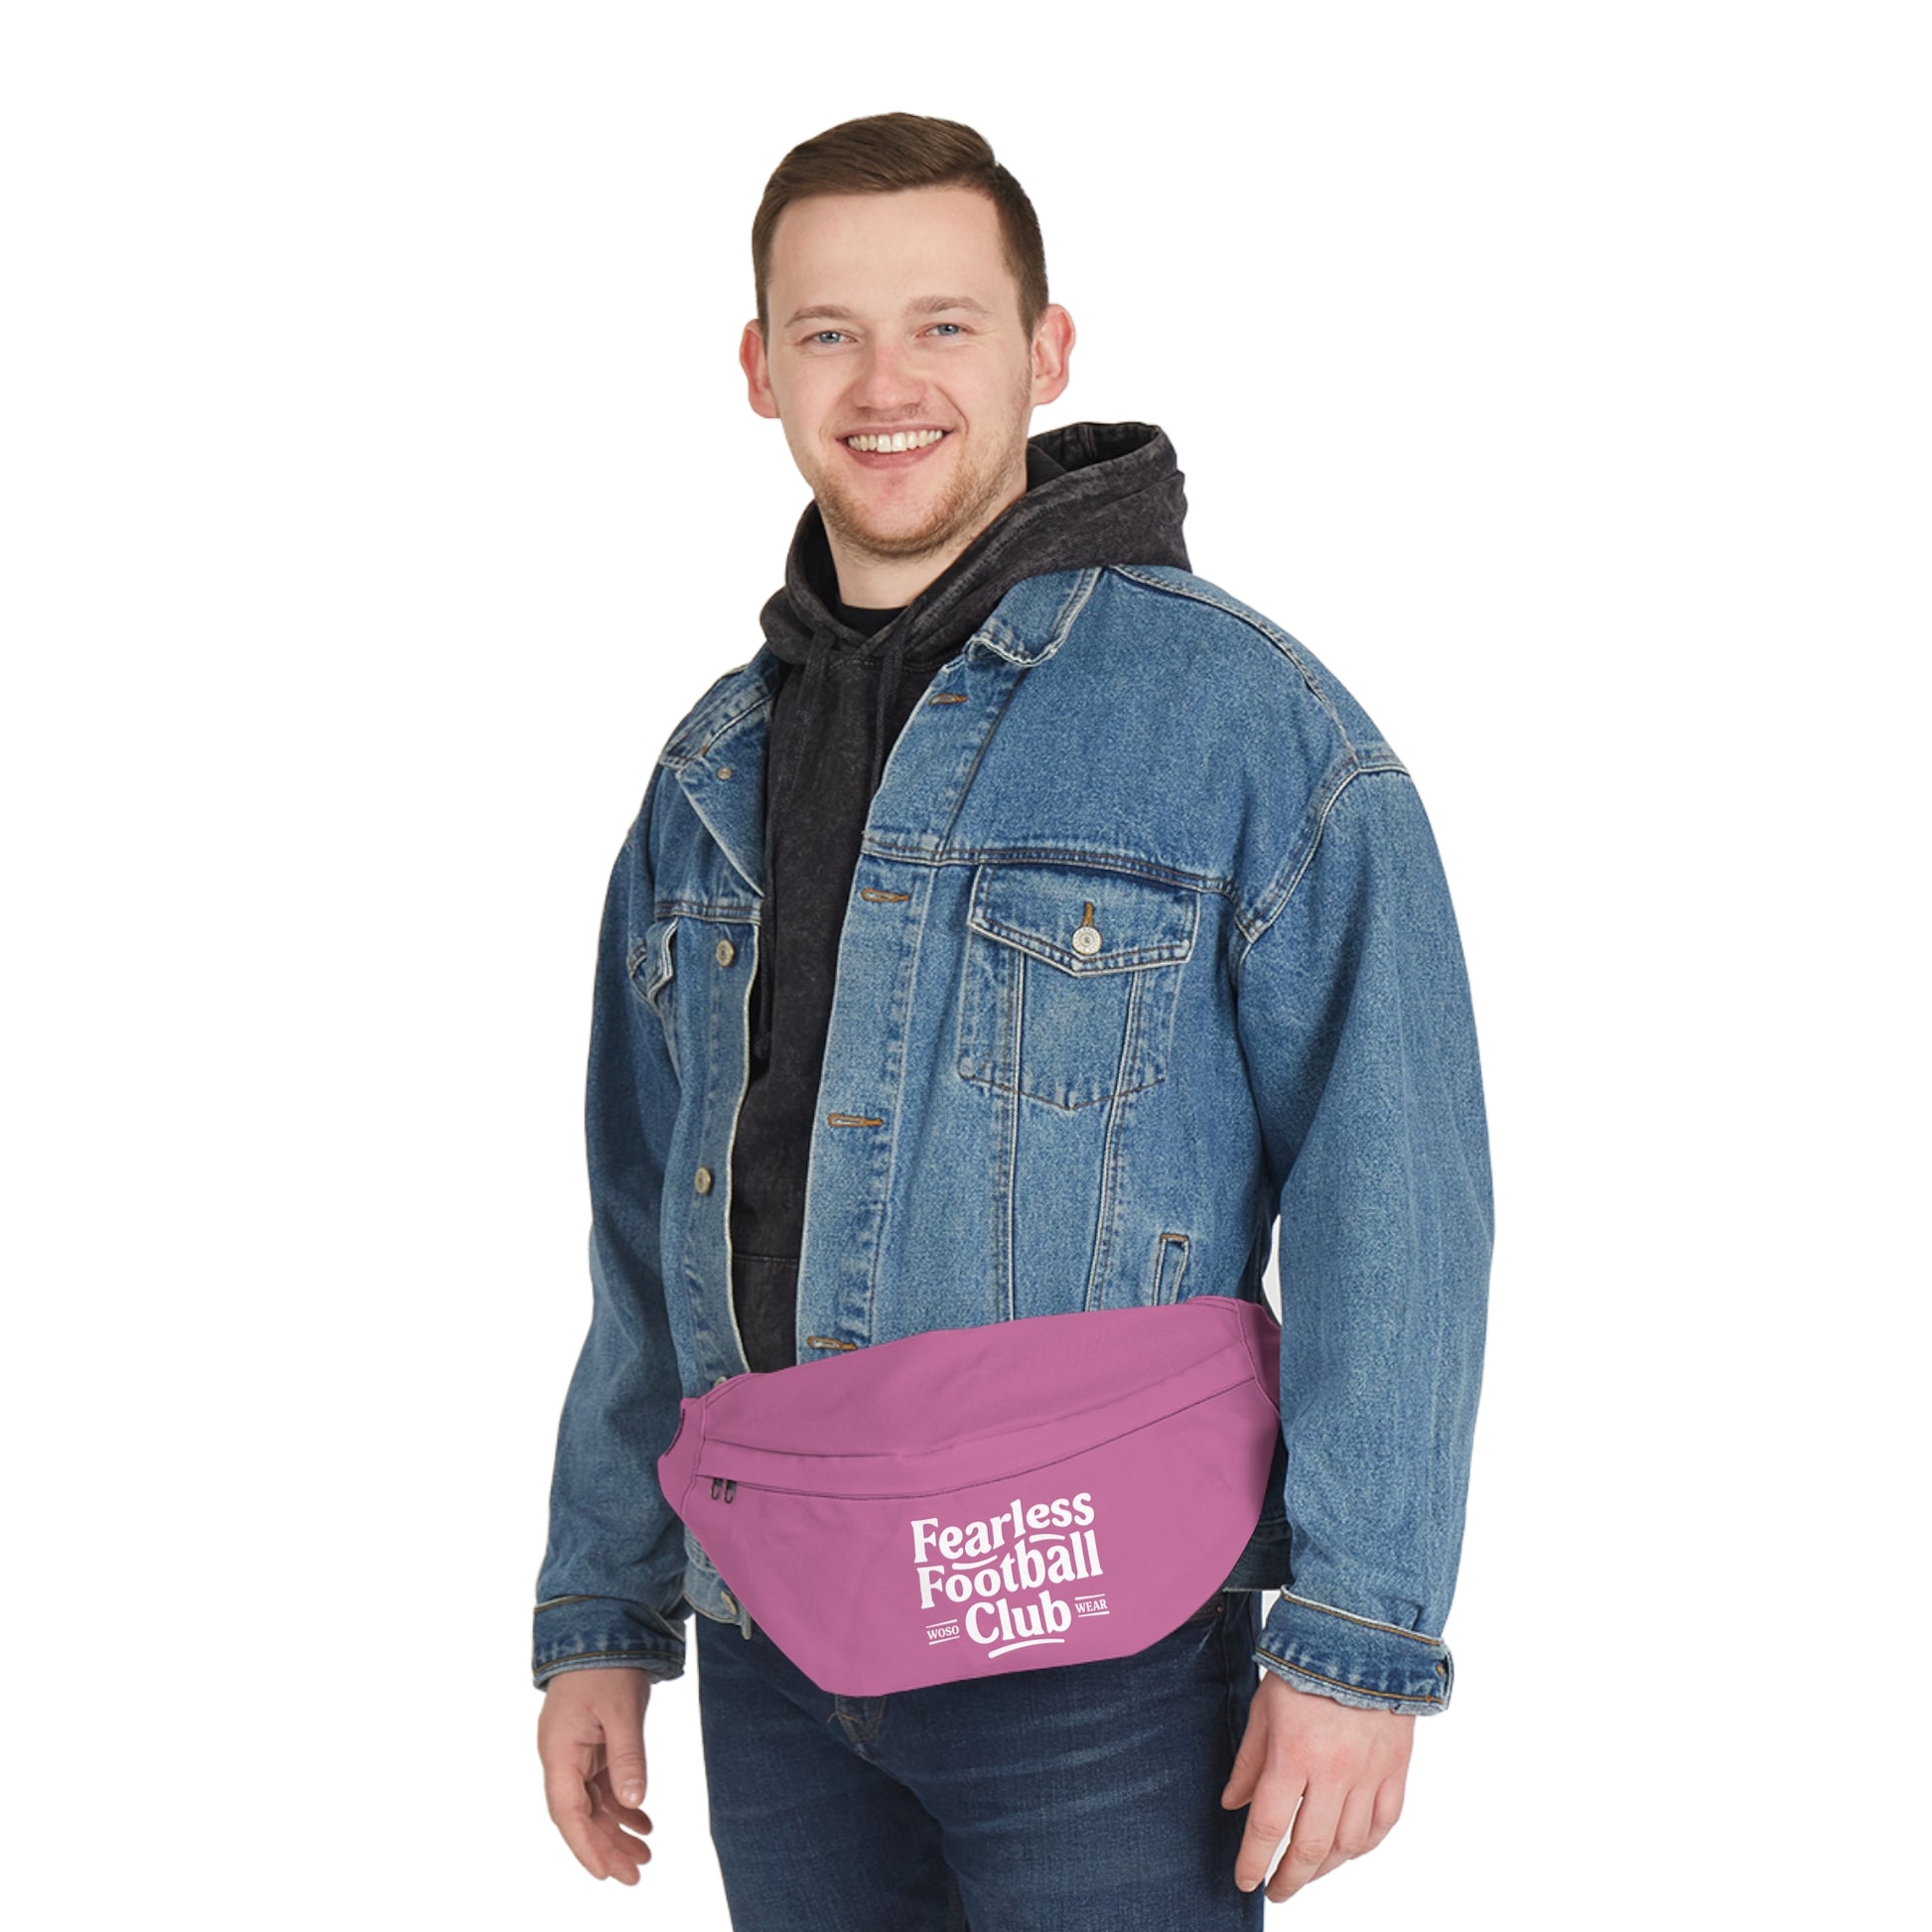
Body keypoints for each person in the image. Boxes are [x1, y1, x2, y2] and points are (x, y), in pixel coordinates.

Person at [532, 112, 1491, 1928]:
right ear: (757, 368)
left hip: (1101, 1654)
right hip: (772, 1648)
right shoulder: (708, 775)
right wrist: (603, 1604)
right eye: (828, 331)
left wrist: (1358, 1636)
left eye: (944, 325)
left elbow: (1396, 1195)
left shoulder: (1240, 725)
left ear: (1045, 352)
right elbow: (643, 1228)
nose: (885, 383)